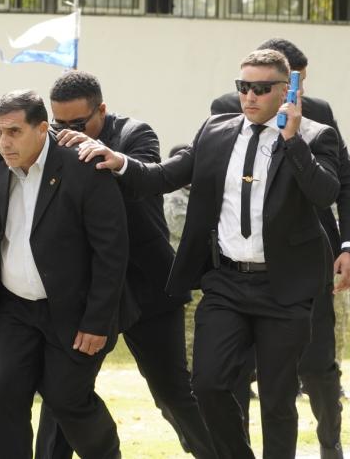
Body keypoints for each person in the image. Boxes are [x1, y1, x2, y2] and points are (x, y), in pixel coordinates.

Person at [80, 49, 341, 459]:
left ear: (286, 90)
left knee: (276, 400)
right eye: (243, 87)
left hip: (284, 289)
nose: (250, 96)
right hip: (227, 283)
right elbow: (165, 175)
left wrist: (291, 139)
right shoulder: (216, 131)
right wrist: (120, 163)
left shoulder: (314, 136)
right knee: (207, 384)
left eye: (261, 88)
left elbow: (326, 192)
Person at [36, 71, 215, 459]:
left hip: (148, 285)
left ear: (101, 109)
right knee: (63, 394)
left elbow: (144, 180)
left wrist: (97, 152)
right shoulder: (48, 145)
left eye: (77, 124)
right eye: (58, 124)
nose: (65, 133)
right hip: (88, 292)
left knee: (171, 392)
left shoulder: (136, 134)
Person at [211, 38, 350, 459]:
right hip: (246, 263)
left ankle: (330, 443)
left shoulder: (319, 115)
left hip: (308, 261)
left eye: (302, 79)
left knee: (316, 363)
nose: (298, 88)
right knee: (235, 373)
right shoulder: (229, 106)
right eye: (293, 79)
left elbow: (345, 184)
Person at [0, 90, 128, 459]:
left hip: (73, 310)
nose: (4, 142)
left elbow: (111, 251)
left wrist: (96, 322)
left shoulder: (83, 165)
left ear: (42, 128)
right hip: (13, 308)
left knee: (66, 399)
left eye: (14, 132)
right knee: (4, 400)